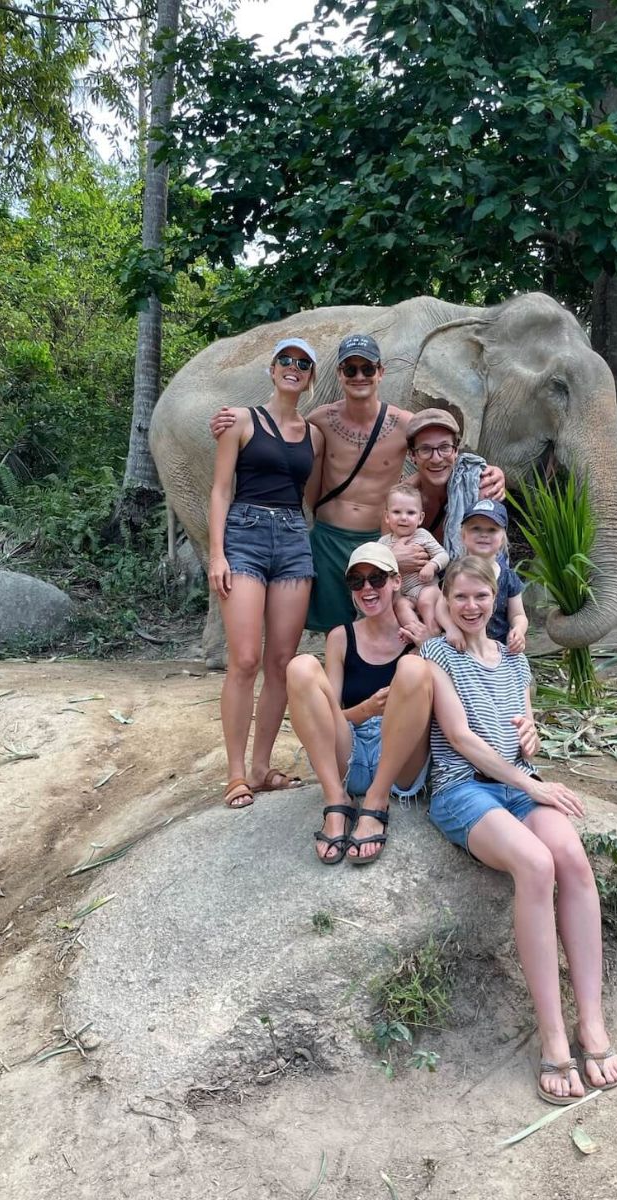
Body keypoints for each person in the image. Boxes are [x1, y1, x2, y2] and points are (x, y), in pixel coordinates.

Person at [421, 556, 617, 1103]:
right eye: (460, 597)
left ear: (495, 598)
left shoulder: (515, 662)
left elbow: (524, 728)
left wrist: (532, 737)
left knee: (572, 860)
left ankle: (592, 1023)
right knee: (536, 865)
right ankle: (553, 1036)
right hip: (464, 787)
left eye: (480, 596)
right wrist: (533, 785)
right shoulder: (436, 655)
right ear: (446, 600)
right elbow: (460, 738)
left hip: (518, 783)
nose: (471, 607)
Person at [210, 341, 506, 633]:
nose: (359, 376)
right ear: (340, 374)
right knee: (334, 630)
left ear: (381, 372)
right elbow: (282, 441)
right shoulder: (320, 420)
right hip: (329, 539)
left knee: (382, 628)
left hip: (379, 539)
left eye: (367, 368)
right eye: (350, 369)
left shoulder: (404, 424)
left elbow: (439, 455)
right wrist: (230, 423)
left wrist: (489, 472)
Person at [208, 338, 325, 809]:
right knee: (244, 660)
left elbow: (314, 496)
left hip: (294, 540)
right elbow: (220, 490)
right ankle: (235, 774)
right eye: (286, 361)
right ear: (272, 369)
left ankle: (260, 767)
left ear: (311, 377)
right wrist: (217, 555)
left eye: (303, 364)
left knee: (280, 663)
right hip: (245, 535)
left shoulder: (315, 435)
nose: (293, 368)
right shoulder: (240, 420)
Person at [285, 543, 431, 864]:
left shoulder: (420, 634)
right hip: (350, 751)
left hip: (399, 762)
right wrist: (367, 710)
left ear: (396, 581)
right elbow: (330, 715)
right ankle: (336, 800)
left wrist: (429, 648)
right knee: (300, 667)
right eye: (357, 581)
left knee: (414, 668)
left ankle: (376, 801)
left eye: (377, 578)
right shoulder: (340, 637)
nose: (367, 588)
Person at [439, 498, 528, 652]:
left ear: (502, 537)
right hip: (460, 647)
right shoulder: (455, 572)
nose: (484, 535)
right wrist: (450, 629)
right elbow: (441, 607)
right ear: (463, 535)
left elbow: (518, 615)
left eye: (492, 530)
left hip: (498, 651)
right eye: (476, 529)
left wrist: (518, 630)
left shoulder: (508, 577)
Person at [378, 483, 449, 637]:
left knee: (426, 601)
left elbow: (443, 555)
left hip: (426, 587)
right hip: (405, 594)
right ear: (387, 517)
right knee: (400, 606)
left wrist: (432, 566)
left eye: (410, 512)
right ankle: (416, 633)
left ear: (420, 518)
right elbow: (376, 565)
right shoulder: (383, 543)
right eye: (397, 512)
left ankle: (433, 631)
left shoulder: (422, 535)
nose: (403, 517)